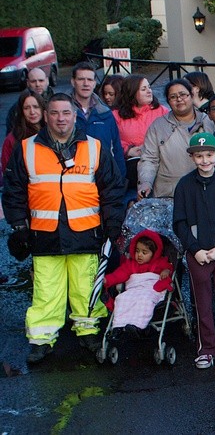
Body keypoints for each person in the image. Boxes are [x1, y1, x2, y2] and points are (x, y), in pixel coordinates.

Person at [3, 93, 126, 364]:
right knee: (46, 291)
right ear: (46, 116)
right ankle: (42, 340)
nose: (61, 119)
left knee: (86, 288)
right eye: (55, 113)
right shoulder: (26, 148)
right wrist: (19, 227)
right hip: (44, 234)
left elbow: (112, 189)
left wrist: (113, 223)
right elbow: (13, 191)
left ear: (75, 115)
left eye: (66, 113)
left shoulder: (94, 147)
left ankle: (89, 332)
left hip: (86, 232)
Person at [173, 133, 215, 369]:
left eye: (209, 155)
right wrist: (195, 249)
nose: (205, 160)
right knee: (202, 303)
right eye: (199, 156)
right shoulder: (184, 185)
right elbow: (179, 223)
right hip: (198, 254)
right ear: (192, 157)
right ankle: (206, 348)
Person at [137, 79, 215, 199]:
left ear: (191, 95)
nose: (179, 99)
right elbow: (149, 159)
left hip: (206, 191)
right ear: (168, 101)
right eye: (173, 97)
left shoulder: (208, 121)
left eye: (183, 95)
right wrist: (146, 182)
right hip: (169, 193)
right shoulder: (158, 126)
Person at [103, 229, 173, 333]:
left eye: (144, 252)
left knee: (145, 301)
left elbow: (169, 269)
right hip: (133, 290)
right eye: (137, 251)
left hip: (150, 290)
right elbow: (118, 275)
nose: (139, 255)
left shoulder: (160, 263)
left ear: (154, 253)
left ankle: (138, 325)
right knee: (121, 299)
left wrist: (166, 271)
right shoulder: (130, 264)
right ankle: (119, 325)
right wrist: (107, 280)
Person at [70, 62, 127, 178]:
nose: (86, 84)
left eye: (90, 80)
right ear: (73, 82)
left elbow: (116, 148)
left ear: (94, 83)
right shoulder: (63, 112)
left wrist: (120, 179)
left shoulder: (105, 113)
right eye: (81, 79)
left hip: (103, 178)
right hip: (74, 178)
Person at [1, 90, 43, 174]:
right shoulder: (12, 139)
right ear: (21, 111)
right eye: (26, 108)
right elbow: (8, 172)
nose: (32, 112)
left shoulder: (52, 133)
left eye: (36, 107)